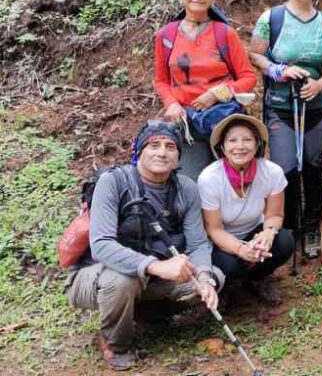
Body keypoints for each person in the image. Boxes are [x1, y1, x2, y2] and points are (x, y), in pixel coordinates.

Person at [65, 121, 222, 371]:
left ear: (178, 156)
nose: (162, 152)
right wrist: (157, 266)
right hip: (96, 275)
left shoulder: (186, 189)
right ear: (139, 150)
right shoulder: (113, 182)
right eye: (154, 145)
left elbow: (198, 243)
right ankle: (114, 343)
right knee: (123, 281)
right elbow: (101, 245)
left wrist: (203, 278)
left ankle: (146, 314)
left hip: (151, 276)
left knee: (216, 277)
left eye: (170, 146)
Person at [249, 0, 322, 258]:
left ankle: (313, 226)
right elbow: (255, 56)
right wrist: (279, 70)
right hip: (280, 105)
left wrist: (319, 84)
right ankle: (287, 228)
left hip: (317, 106)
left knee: (315, 166)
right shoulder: (272, 18)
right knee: (285, 169)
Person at [154, 0, 257, 180]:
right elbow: (162, 81)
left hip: (224, 119)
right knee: (191, 182)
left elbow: (248, 77)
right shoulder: (166, 35)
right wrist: (171, 103)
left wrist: (217, 93)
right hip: (187, 124)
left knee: (234, 181)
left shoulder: (224, 33)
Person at [199, 114, 295, 306]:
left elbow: (274, 214)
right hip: (222, 240)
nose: (240, 146)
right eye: (232, 140)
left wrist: (268, 233)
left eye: (247, 140)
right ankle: (230, 284)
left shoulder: (271, 171)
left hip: (254, 231)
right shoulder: (209, 178)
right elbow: (214, 229)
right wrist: (240, 249)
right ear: (222, 146)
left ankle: (257, 278)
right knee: (229, 264)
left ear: (257, 144)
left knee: (284, 241)